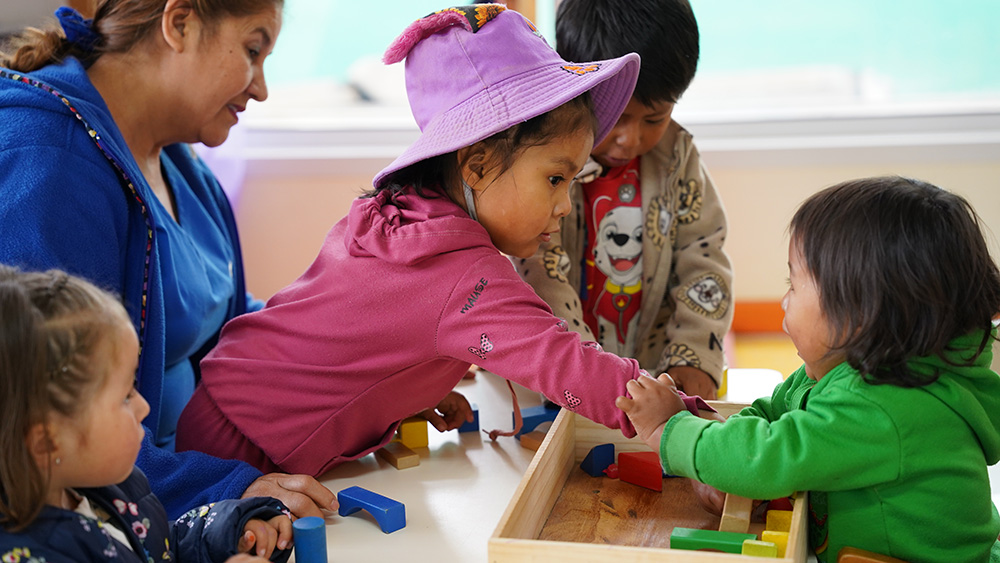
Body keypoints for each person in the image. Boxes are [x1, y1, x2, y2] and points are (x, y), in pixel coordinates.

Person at [174, 4, 715, 477]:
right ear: (476, 166)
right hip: (241, 454)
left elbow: (348, 336)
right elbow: (564, 362)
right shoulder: (463, 274)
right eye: (555, 179)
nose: (564, 204)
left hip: (222, 404)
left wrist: (406, 390)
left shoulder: (394, 216)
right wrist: (675, 414)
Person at [0, 1, 336, 520]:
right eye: (252, 50)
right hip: (137, 512)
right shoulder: (51, 164)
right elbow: (54, 416)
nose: (261, 87)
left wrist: (362, 370)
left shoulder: (175, 155)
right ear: (179, 23)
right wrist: (223, 489)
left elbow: (232, 323)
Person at [616, 177, 1000, 562]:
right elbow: (773, 414)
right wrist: (721, 462)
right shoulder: (846, 368)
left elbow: (766, 456)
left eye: (794, 285)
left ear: (858, 313)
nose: (783, 300)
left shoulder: (884, 404)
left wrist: (670, 430)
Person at [513, 0, 732, 400]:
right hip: (560, 380)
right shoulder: (546, 159)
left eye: (655, 118)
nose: (631, 139)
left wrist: (694, 355)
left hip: (652, 373)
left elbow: (703, 257)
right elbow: (539, 267)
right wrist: (583, 373)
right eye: (616, 115)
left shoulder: (676, 158)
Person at [0, 265, 293, 562]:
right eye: (125, 397)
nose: (143, 407)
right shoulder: (28, 555)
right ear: (47, 442)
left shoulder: (108, 488)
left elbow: (161, 549)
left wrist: (230, 532)